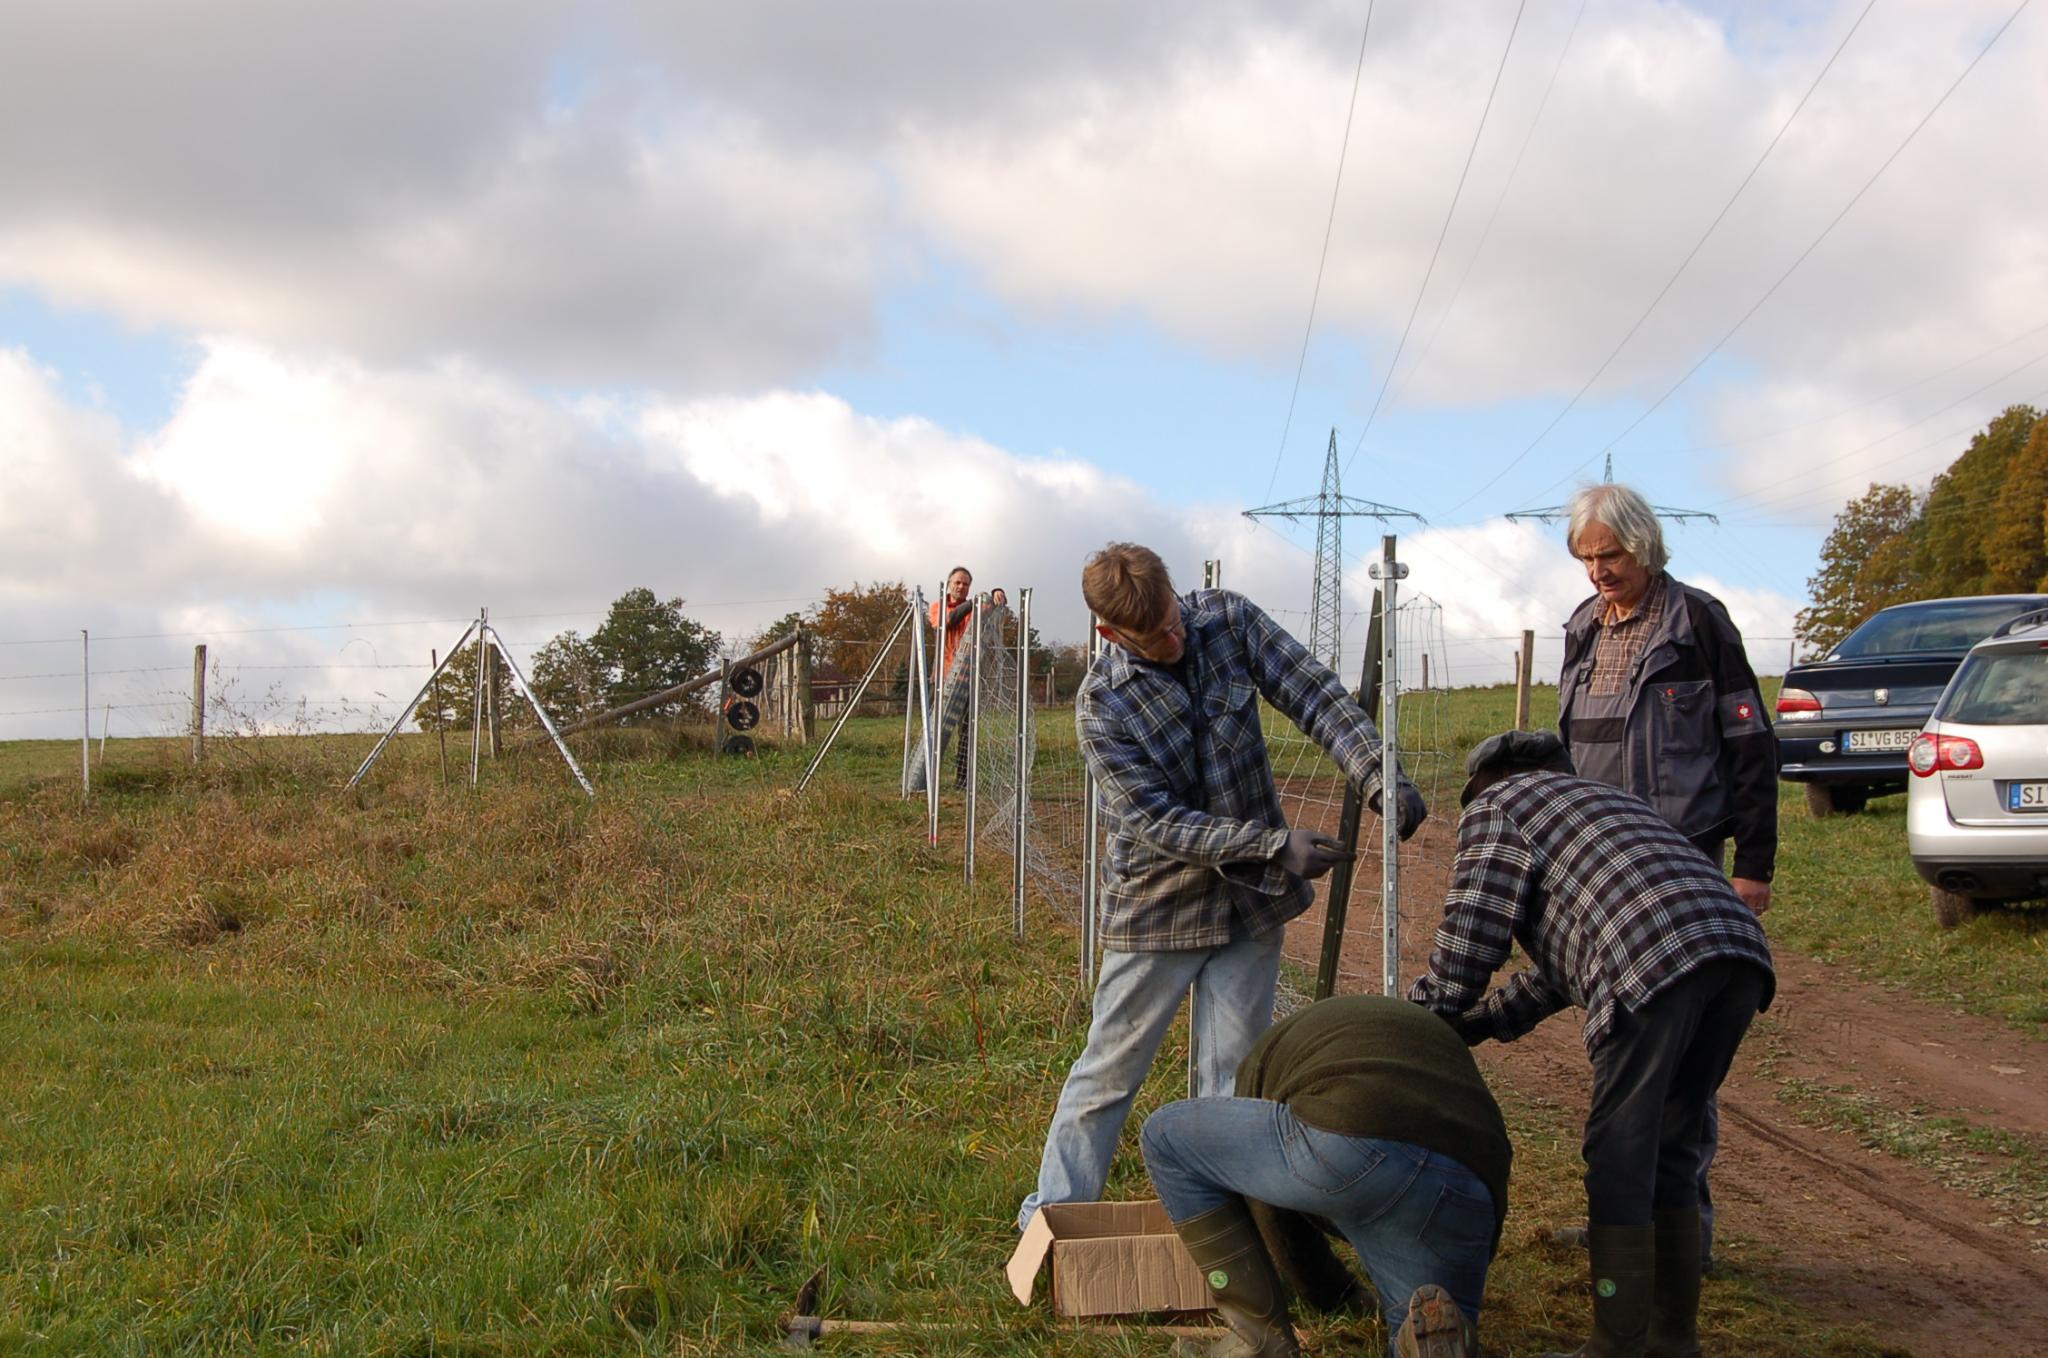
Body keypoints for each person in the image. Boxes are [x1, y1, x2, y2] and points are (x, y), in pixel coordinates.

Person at [1017, 542, 1427, 1235]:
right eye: (1156, 638)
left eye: (1176, 620)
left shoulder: (1229, 620)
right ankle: (1050, 1223)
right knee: (1109, 1073)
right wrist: (1273, 846)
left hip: (1248, 907)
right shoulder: (1101, 708)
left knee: (1234, 1077)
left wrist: (1375, 770)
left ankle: (1225, 1228)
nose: (1177, 640)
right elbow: (1156, 823)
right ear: (1110, 635)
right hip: (1157, 913)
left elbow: (1313, 692)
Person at [1409, 731, 1774, 1358]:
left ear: (1484, 782)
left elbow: (1473, 933)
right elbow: (1561, 969)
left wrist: (1423, 1021)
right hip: (1736, 952)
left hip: (1654, 958)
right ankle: (1672, 1341)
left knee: (1621, 1154)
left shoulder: (1502, 805)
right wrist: (1473, 1025)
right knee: (1673, 1146)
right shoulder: (1606, 806)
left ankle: (1616, 1345)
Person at [1558, 482, 1776, 1270]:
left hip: (1684, 862)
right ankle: (1624, 1219)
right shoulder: (1581, 631)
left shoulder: (1699, 625)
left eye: (1609, 555)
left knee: (1680, 1057)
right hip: (1600, 871)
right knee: (1617, 1041)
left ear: (1643, 546)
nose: (1598, 572)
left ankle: (1685, 1235)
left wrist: (1753, 866)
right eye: (1586, 558)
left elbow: (1752, 750)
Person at [1141, 993, 1507, 1358]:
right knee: (1417, 1318)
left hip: (1355, 1141)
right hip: (1472, 1185)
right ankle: (1414, 1343)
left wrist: (1330, 1293)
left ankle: (1257, 1342)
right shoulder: (1365, 1034)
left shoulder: (1259, 1070)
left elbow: (1273, 1213)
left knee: (1164, 1136)